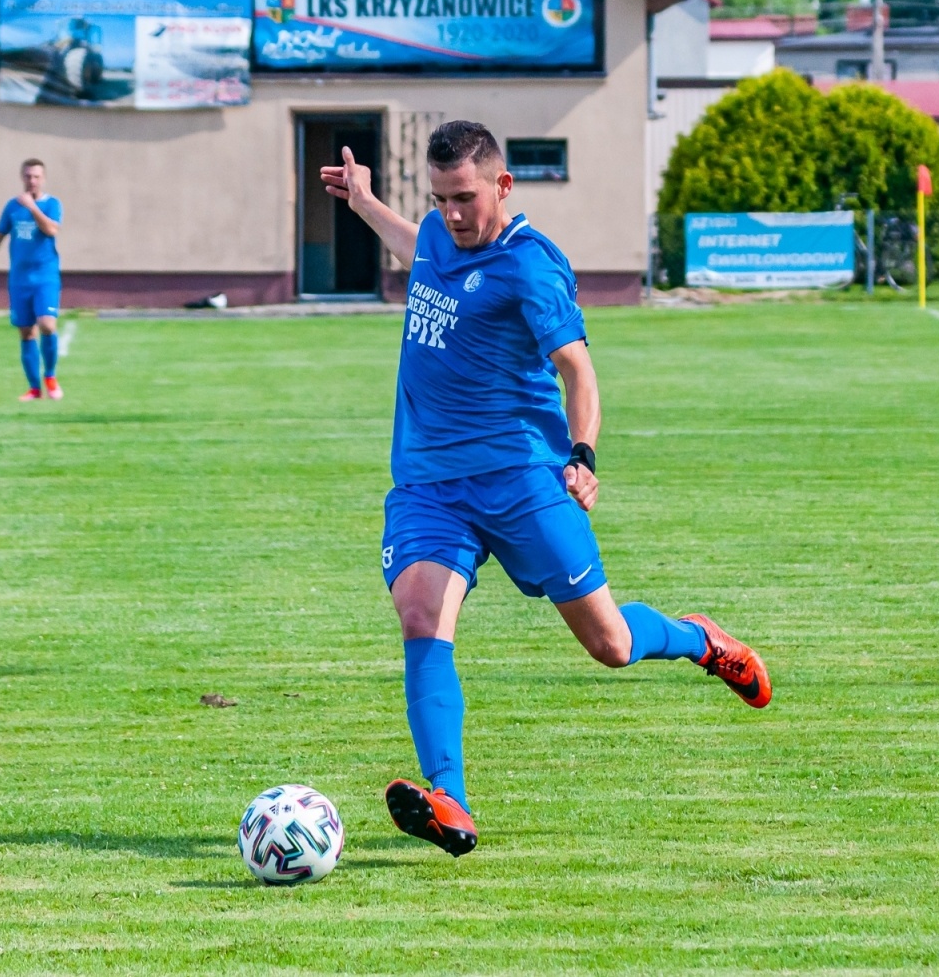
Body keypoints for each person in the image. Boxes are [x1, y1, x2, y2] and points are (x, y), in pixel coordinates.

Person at [319, 121, 772, 857]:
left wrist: (584, 453)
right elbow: (421, 250)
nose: (453, 214)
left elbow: (578, 369)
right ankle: (450, 800)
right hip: (431, 484)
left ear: (502, 185)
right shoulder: (439, 233)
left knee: (611, 644)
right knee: (420, 613)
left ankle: (698, 638)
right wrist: (367, 204)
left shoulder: (532, 267)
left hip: (523, 478)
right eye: (440, 199)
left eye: (465, 198)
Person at [0, 159, 65, 401]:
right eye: (28, 176)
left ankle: (50, 377)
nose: (32, 181)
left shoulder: (52, 204)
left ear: (43, 178)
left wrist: (33, 208)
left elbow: (52, 230)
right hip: (19, 279)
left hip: (45, 276)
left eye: (36, 177)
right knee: (26, 332)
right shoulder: (12, 206)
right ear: (22, 177)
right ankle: (34, 389)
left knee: (47, 325)